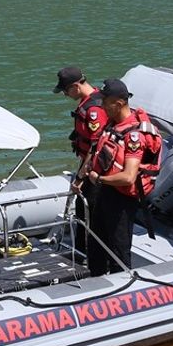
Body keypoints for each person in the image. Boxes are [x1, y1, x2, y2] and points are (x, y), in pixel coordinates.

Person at [83, 78, 162, 276]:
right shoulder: (113, 123)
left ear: (118, 103)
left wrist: (99, 179)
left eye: (105, 102)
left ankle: (122, 288)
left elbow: (128, 177)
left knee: (118, 249)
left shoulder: (133, 135)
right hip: (105, 193)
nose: (101, 106)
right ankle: (96, 282)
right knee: (96, 243)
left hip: (121, 198)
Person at [54, 66, 108, 257]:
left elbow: (96, 148)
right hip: (89, 166)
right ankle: (81, 253)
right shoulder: (89, 102)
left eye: (66, 91)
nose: (65, 95)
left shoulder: (94, 109)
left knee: (90, 214)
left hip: (96, 171)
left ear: (76, 86)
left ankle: (91, 257)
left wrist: (80, 177)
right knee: (81, 211)